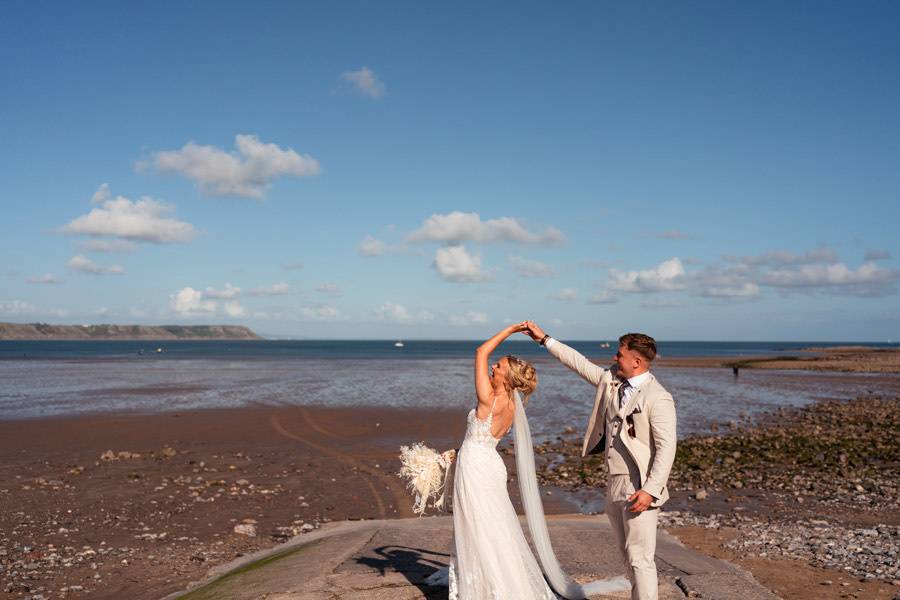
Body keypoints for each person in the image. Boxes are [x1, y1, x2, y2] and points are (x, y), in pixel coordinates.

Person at [523, 322, 677, 600]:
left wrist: (651, 490)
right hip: (614, 483)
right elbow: (578, 363)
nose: (614, 358)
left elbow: (667, 448)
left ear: (637, 361)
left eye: (620, 354)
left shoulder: (659, 397)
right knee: (627, 555)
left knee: (641, 558)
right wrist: (544, 339)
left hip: (640, 486)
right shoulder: (611, 381)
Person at [427, 322, 557, 599]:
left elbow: (480, 352)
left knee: (476, 525)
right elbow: (483, 438)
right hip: (487, 463)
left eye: (498, 367)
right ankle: (500, 578)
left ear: (507, 378)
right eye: (495, 365)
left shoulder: (488, 399)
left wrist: (509, 330)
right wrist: (458, 451)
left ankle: (487, 586)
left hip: (475, 467)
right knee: (494, 524)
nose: (492, 368)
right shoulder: (511, 405)